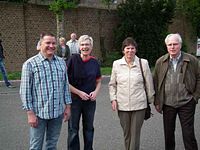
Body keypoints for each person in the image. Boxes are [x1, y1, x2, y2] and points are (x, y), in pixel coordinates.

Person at [20, 33, 72, 150]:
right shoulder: (30, 64)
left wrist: (68, 107)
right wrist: (30, 114)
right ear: (40, 44)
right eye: (48, 43)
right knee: (36, 146)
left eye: (53, 43)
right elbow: (25, 91)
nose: (51, 46)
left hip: (57, 112)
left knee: (52, 144)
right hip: (39, 114)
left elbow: (65, 86)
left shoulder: (61, 62)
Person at [153, 33, 200, 150]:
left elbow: (199, 78)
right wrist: (157, 101)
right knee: (168, 135)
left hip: (187, 102)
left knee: (188, 134)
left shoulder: (192, 60)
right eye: (170, 45)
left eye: (175, 44)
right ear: (166, 46)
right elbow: (156, 81)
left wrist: (195, 97)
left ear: (180, 45)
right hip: (168, 104)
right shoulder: (160, 62)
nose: (172, 47)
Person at [109, 37, 155, 150]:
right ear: (123, 50)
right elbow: (112, 84)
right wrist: (113, 99)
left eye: (132, 48)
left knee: (135, 134)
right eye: (127, 48)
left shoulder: (143, 63)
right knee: (127, 134)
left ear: (136, 49)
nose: (130, 51)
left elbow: (149, 83)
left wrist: (152, 100)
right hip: (122, 104)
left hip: (139, 104)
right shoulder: (116, 64)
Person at [67, 35, 101, 150]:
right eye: (82, 44)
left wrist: (96, 92)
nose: (84, 47)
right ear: (78, 46)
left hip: (90, 102)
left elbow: (99, 80)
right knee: (73, 129)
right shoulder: (72, 60)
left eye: (87, 44)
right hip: (74, 100)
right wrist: (79, 92)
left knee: (89, 128)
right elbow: (65, 82)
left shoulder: (95, 62)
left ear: (91, 47)